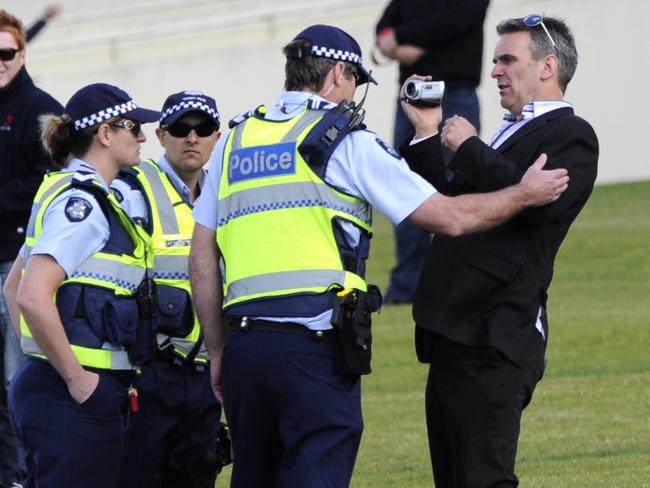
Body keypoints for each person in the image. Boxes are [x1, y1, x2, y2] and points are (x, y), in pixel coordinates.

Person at [188, 23, 569, 487]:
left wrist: (219, 351)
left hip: (245, 347)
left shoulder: (234, 141)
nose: (353, 98)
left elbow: (201, 256)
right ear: (338, 76)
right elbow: (449, 218)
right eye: (354, 84)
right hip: (313, 350)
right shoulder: (345, 141)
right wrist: (524, 195)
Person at [400, 14, 599, 487]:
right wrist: (428, 133)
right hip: (451, 327)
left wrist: (469, 147)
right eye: (495, 61)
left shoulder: (573, 136)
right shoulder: (508, 132)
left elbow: (537, 206)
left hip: (495, 331)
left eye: (507, 59)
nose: (494, 72)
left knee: (482, 479)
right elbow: (447, 210)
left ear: (548, 66)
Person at [5, 82, 160, 488]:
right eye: (133, 126)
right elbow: (31, 295)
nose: (142, 136)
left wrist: (42, 361)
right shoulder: (84, 205)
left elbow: (12, 286)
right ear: (105, 134)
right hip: (75, 392)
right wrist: (75, 378)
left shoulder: (68, 191)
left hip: (54, 387)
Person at [112, 90, 224, 488]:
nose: (191, 137)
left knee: (198, 475)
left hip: (209, 367)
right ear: (160, 135)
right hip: (151, 367)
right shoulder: (132, 188)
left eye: (203, 128)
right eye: (180, 128)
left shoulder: (228, 192)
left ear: (217, 136)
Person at [375, 0, 490, 304]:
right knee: (407, 189)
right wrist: (397, 46)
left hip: (456, 93)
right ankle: (407, 286)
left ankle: (458, 282)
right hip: (413, 99)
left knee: (458, 187)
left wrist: (399, 37)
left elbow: (457, 18)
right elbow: (382, 28)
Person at [0, 9, 62, 487]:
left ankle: (28, 477)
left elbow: (51, 182)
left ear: (22, 54)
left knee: (18, 383)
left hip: (17, 266)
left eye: (7, 52)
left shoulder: (41, 107)